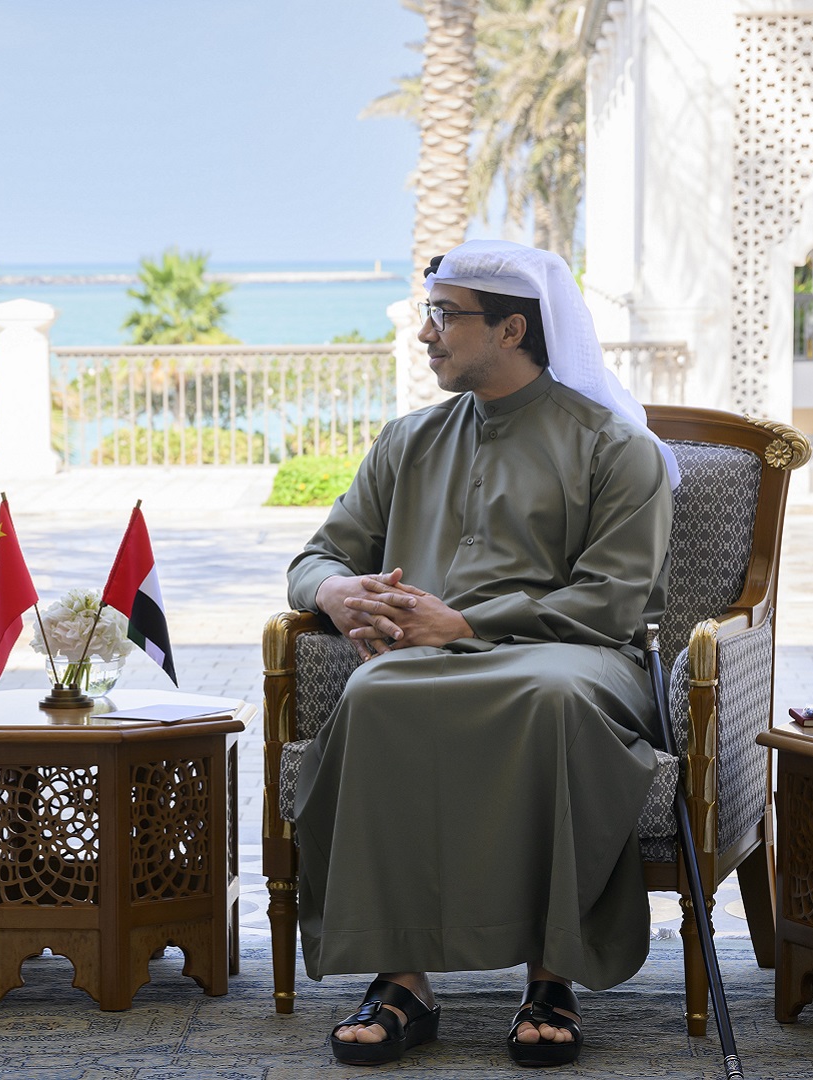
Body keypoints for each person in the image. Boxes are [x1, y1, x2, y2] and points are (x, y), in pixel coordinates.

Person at [288, 239, 678, 1068]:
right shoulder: (408, 442)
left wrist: (460, 624)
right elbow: (314, 559)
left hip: (579, 658)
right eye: (428, 315)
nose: (426, 335)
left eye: (444, 317)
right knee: (376, 695)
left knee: (552, 699)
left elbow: (613, 602)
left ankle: (551, 977)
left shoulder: (614, 446)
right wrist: (336, 594)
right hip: (422, 660)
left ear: (511, 329)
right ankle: (401, 982)